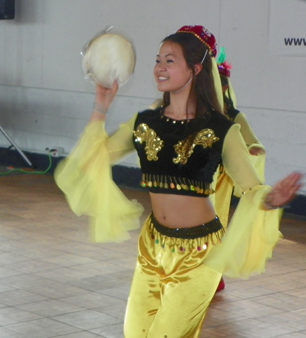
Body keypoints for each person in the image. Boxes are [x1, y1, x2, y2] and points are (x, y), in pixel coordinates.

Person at [55, 25, 302, 337]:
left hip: (200, 254)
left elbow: (251, 187)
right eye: (158, 60)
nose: (159, 67)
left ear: (195, 70)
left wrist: (271, 199)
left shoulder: (222, 129)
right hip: (152, 246)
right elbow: (96, 156)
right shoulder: (145, 122)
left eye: (169, 61)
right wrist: (101, 107)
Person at [213, 48, 267, 292]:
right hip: (195, 179)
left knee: (214, 224)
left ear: (224, 88)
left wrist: (253, 150)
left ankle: (212, 274)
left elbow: (253, 142)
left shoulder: (233, 117)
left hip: (222, 181)